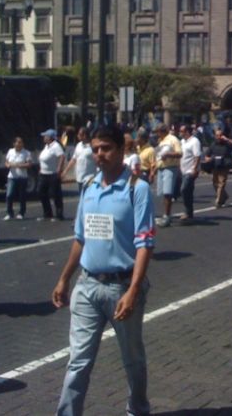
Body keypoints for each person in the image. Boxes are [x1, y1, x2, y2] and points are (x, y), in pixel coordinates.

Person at [52, 124, 155, 416]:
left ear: (121, 150)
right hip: (86, 286)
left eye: (106, 148)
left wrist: (134, 290)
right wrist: (64, 279)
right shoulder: (89, 187)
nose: (100, 154)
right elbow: (80, 239)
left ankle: (138, 408)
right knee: (78, 360)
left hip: (122, 287)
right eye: (96, 149)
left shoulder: (138, 188)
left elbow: (145, 244)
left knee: (132, 358)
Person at [151, 123, 181, 227]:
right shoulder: (161, 141)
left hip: (170, 167)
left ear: (162, 131)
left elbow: (180, 153)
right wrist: (154, 170)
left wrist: (168, 154)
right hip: (161, 168)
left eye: (158, 132)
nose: (157, 134)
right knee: (163, 193)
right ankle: (165, 215)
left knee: (168, 193)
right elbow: (158, 157)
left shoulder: (173, 139)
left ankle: (167, 216)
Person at [38, 128, 66, 221]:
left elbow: (61, 157)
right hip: (43, 173)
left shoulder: (56, 146)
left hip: (52, 174)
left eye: (45, 136)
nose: (44, 137)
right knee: (42, 192)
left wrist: (59, 169)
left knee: (55, 194)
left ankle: (59, 214)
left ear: (50, 137)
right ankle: (47, 213)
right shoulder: (47, 146)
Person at [204, 128, 232, 207]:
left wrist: (226, 139)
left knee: (221, 184)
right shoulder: (213, 144)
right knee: (215, 183)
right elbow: (207, 155)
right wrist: (208, 159)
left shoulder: (227, 144)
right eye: (217, 135)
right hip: (215, 166)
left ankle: (218, 201)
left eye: (220, 135)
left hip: (224, 166)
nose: (219, 137)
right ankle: (224, 196)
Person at [62, 127, 97, 195]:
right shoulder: (78, 145)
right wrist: (65, 171)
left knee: (89, 198)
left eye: (79, 134)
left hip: (90, 179)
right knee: (82, 197)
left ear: (84, 135)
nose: (77, 136)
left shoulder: (92, 146)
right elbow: (74, 159)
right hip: (80, 178)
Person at [178, 125, 202, 223]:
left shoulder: (195, 141)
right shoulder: (182, 142)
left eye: (182, 131)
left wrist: (194, 169)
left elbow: (197, 156)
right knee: (188, 191)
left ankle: (188, 211)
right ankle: (189, 213)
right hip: (183, 170)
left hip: (190, 170)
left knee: (184, 189)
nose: (180, 133)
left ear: (187, 132)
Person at [4, 136, 32, 220]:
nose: (19, 144)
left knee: (22, 196)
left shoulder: (26, 153)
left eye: (21, 142)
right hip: (12, 177)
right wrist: (7, 165)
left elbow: (29, 164)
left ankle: (21, 213)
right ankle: (9, 213)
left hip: (22, 177)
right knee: (9, 195)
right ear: (14, 144)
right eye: (18, 142)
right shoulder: (10, 151)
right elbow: (6, 161)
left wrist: (19, 165)